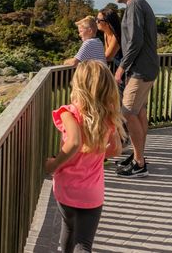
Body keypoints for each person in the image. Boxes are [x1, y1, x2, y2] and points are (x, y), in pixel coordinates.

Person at [45, 61, 125, 253]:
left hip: (66, 187)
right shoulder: (107, 117)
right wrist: (97, 153)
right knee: (83, 244)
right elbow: (115, 149)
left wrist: (53, 165)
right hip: (92, 192)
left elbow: (74, 142)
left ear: (78, 85)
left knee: (68, 228)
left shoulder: (69, 113)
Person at [111, 0, 159, 178]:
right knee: (138, 114)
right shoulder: (139, 4)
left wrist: (122, 67)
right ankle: (139, 156)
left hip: (140, 69)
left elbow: (136, 41)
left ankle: (140, 163)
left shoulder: (135, 5)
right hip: (146, 68)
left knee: (128, 113)